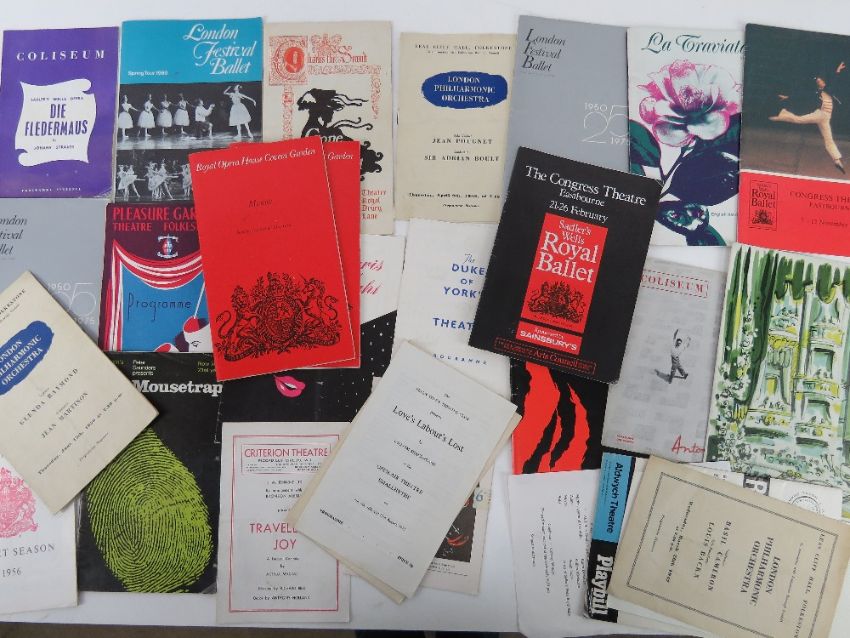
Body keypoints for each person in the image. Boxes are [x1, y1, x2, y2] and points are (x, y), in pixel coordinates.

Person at [769, 61, 846, 174]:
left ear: (824, 82)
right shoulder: (817, 93)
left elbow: (834, 81)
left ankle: (837, 160)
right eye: (818, 82)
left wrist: (838, 71)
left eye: (821, 80)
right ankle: (783, 115)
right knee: (799, 119)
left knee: (828, 139)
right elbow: (802, 95)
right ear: (818, 84)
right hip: (820, 114)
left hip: (826, 118)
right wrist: (788, 97)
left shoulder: (829, 89)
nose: (820, 82)